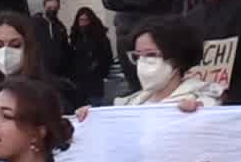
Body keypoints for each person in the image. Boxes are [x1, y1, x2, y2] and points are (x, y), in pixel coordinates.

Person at [77, 18, 214, 118]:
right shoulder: (130, 104)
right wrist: (90, 118)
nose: (142, 63)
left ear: (176, 58)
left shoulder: (202, 99)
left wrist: (201, 116)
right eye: (137, 56)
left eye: (151, 54)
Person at [66, 7, 114, 107]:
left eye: (85, 20)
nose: (83, 23)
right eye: (81, 20)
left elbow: (107, 57)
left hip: (95, 80)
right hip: (79, 81)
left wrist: (100, 70)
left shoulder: (100, 38)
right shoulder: (75, 38)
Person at [34, 0, 72, 81]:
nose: (52, 10)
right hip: (41, 72)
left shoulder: (60, 27)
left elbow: (65, 48)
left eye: (55, 8)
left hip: (59, 73)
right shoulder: (34, 23)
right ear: (44, 7)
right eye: (49, 8)